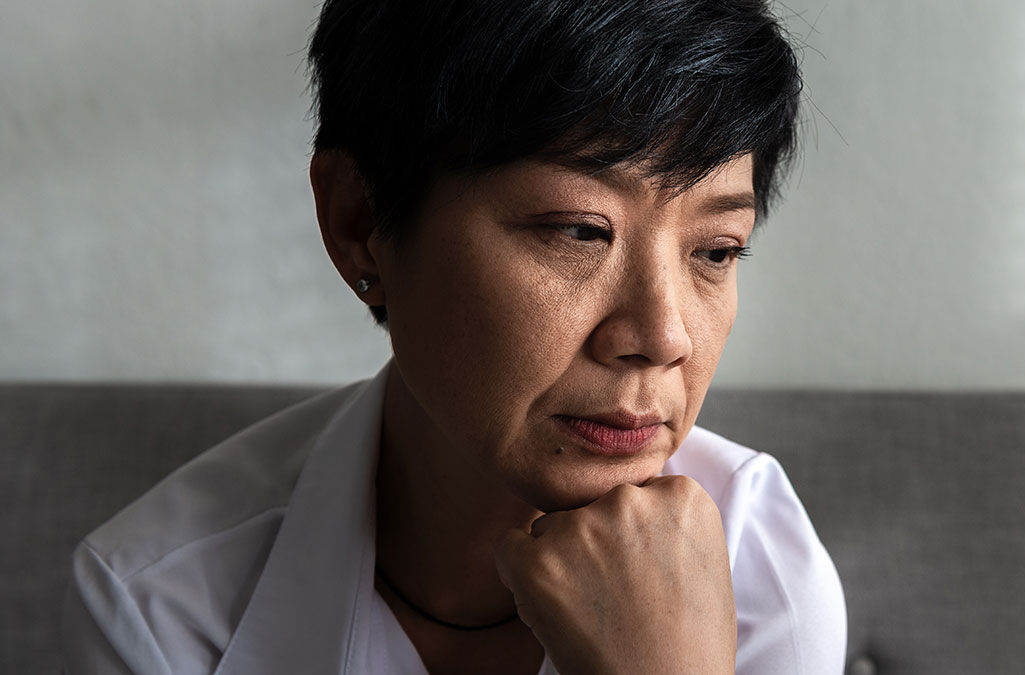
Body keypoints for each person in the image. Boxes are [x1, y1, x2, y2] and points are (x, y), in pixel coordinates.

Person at [62, 0, 847, 672]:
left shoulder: (763, 569)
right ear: (359, 223)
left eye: (715, 251)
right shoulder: (162, 601)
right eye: (578, 230)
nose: (662, 335)